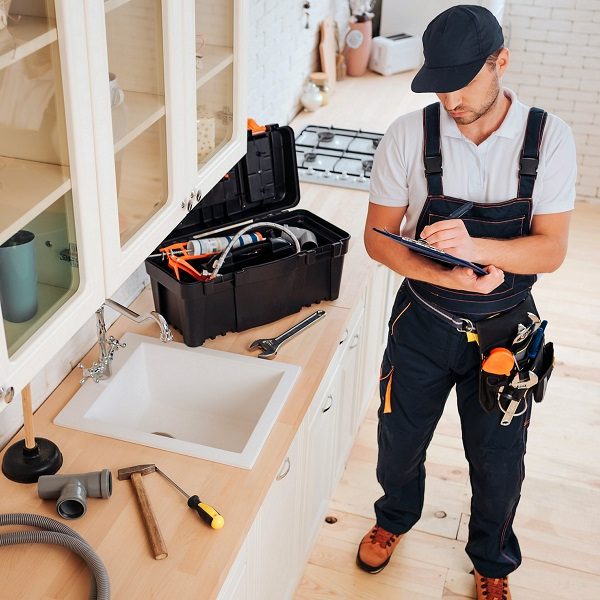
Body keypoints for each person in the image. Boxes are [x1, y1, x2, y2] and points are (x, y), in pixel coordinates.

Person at [357, 5, 576, 600]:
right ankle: (394, 518)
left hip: (507, 331)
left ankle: (492, 560)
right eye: (440, 82)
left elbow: (552, 250)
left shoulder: (547, 138)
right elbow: (378, 238)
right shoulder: (409, 135)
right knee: (398, 440)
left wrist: (476, 247)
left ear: (500, 62)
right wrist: (453, 278)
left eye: (464, 80)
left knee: (499, 459)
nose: (450, 98)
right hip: (423, 320)